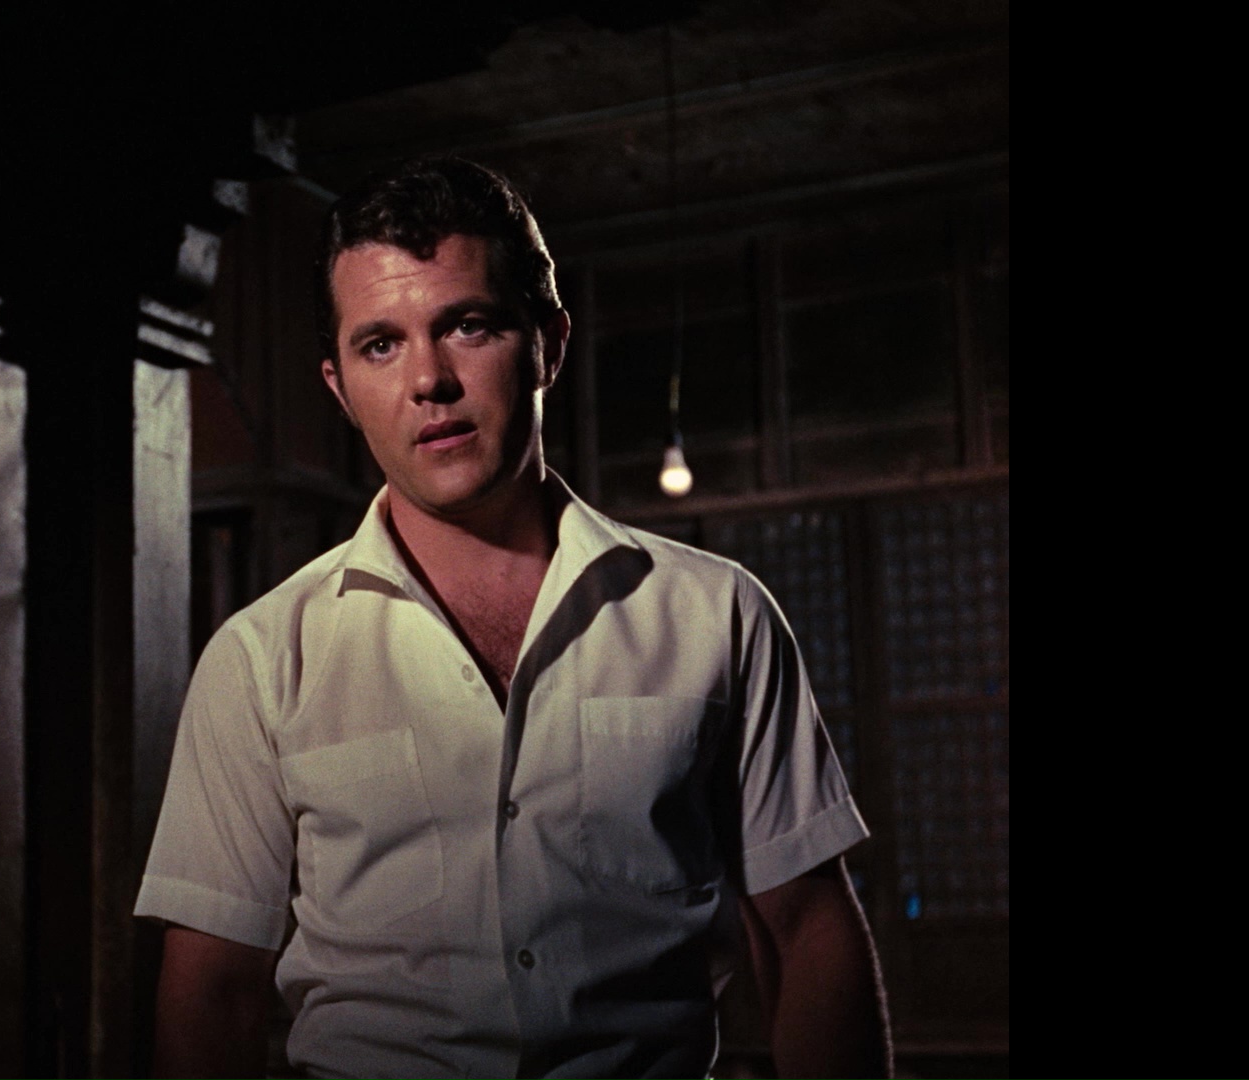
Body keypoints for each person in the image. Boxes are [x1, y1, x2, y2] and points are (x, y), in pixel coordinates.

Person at [135, 156, 891, 1080]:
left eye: (469, 325)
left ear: (548, 344)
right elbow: (212, 989)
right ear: (339, 389)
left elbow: (808, 932)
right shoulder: (262, 657)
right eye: (381, 345)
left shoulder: (715, 614)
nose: (429, 380)